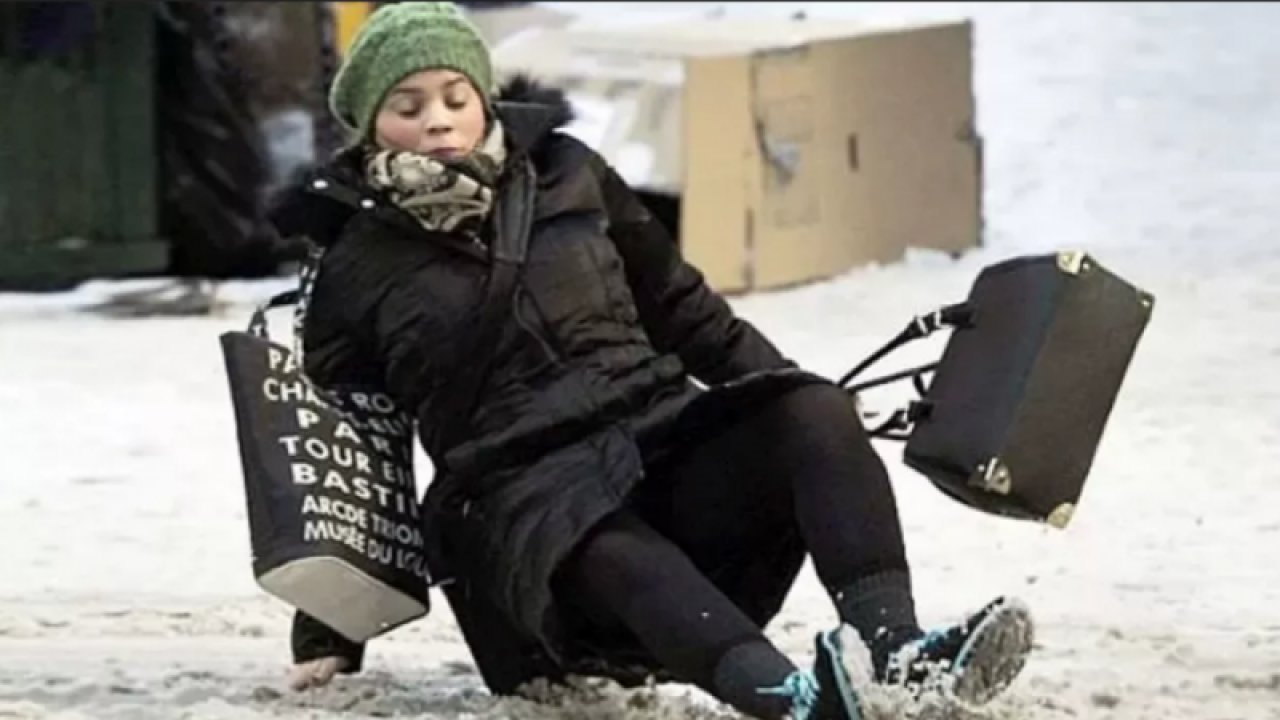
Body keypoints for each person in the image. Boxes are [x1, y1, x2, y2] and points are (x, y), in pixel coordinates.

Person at [267, 3, 1035, 718]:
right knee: (602, 535)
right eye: (409, 108)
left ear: (484, 98)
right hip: (516, 504)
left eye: (455, 97)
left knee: (808, 409)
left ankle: (894, 657)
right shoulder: (350, 266)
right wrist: (331, 629)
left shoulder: (567, 172)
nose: (438, 122)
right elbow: (353, 456)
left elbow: (684, 311)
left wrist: (812, 417)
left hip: (653, 438)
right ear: (371, 129)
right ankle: (796, 702)